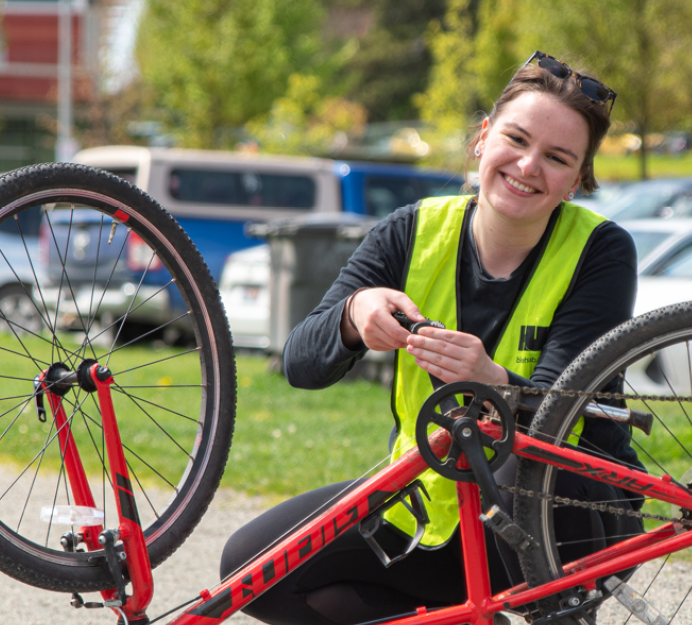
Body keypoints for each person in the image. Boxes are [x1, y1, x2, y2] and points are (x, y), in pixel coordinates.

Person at [219, 52, 642, 625]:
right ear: (483, 138)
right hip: (431, 504)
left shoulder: (602, 252)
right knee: (249, 570)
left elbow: (566, 415)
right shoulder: (409, 231)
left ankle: (563, 616)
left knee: (528, 469)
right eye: (515, 139)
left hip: (566, 515)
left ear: (576, 179)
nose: (527, 165)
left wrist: (493, 381)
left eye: (557, 158)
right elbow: (300, 363)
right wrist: (352, 314)